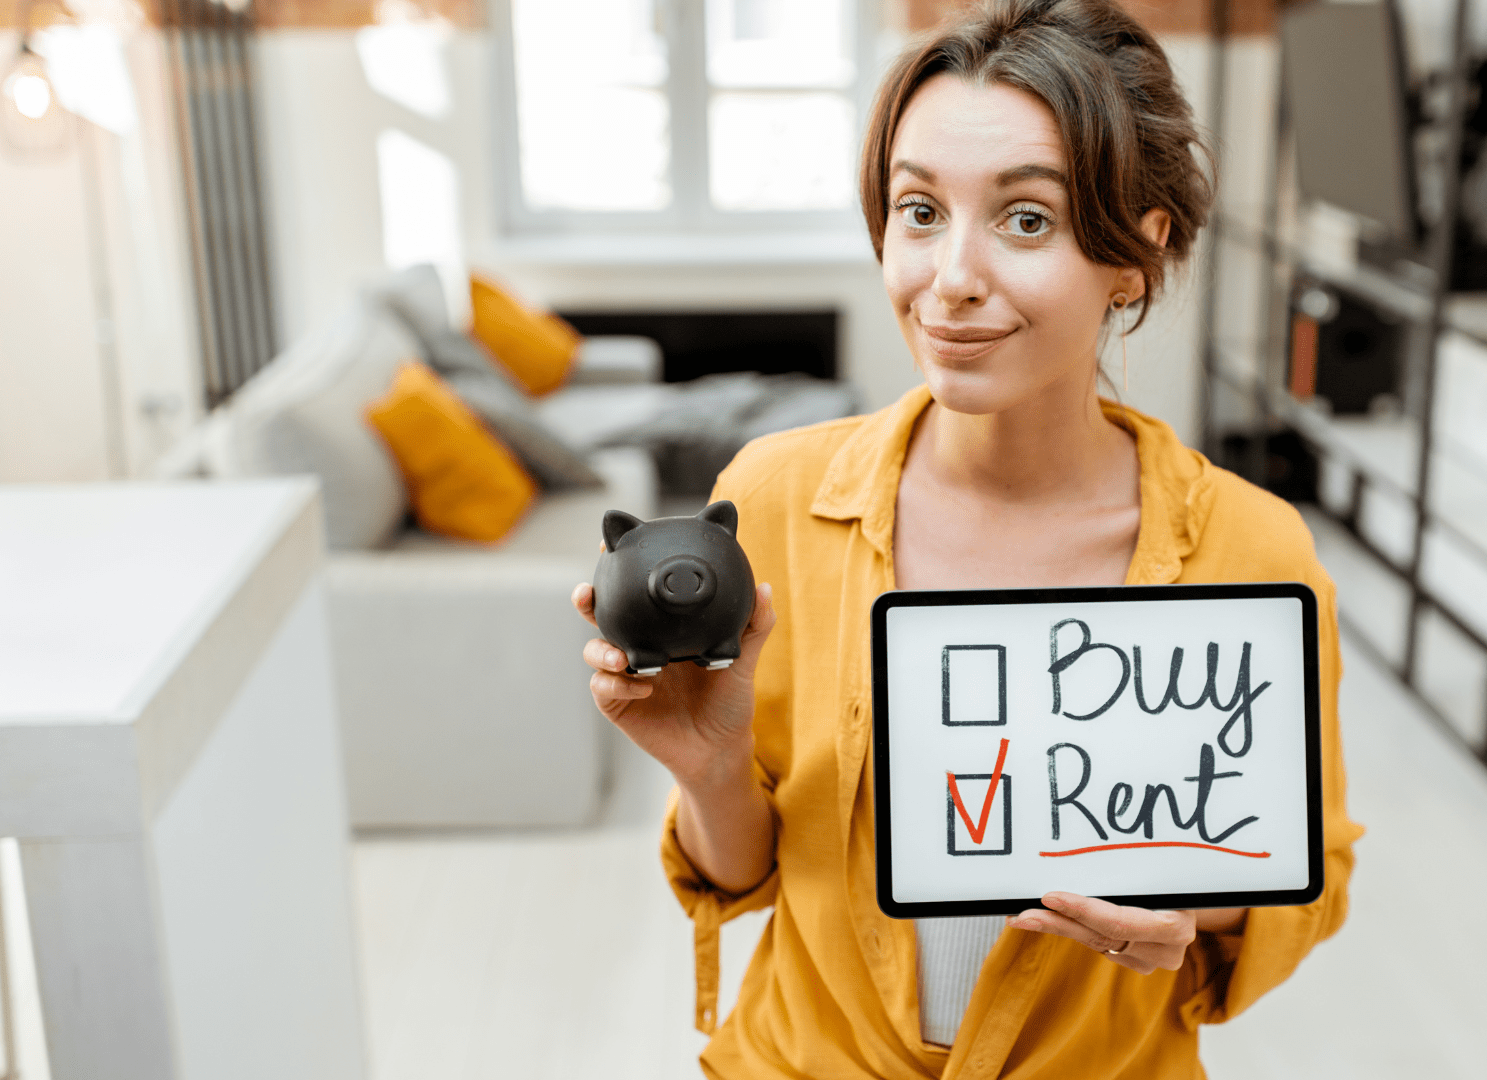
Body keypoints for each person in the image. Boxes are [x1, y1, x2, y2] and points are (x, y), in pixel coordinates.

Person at [573, 0, 1362, 1074]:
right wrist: (710, 769)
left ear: (1136, 252)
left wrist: (1201, 911)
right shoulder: (773, 500)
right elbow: (748, 874)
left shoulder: (1253, 550)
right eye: (919, 210)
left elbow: (1308, 867)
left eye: (1026, 219)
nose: (949, 278)